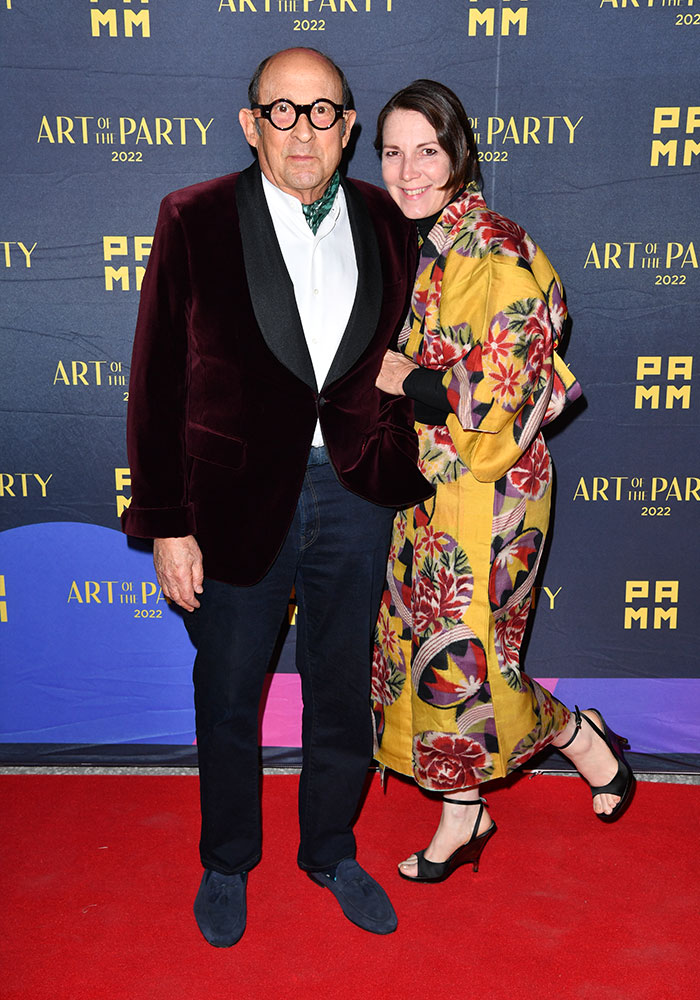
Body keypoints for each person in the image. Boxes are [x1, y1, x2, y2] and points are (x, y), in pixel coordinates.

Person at [122, 48, 433, 945]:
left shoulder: (383, 219)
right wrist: (169, 525)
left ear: (348, 127)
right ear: (251, 121)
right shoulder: (193, 217)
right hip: (227, 501)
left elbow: (394, 354)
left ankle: (331, 847)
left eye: (323, 111)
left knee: (340, 685)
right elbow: (157, 383)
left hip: (352, 490)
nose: (304, 129)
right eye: (283, 111)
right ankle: (227, 859)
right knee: (227, 690)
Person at [371, 80, 635, 883]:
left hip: (493, 491)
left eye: (427, 151)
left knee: (477, 659)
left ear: (458, 155)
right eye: (392, 152)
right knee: (435, 649)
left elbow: (512, 386)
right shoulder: (431, 246)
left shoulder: (493, 247)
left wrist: (406, 379)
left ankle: (581, 738)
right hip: (438, 485)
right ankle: (465, 812)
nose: (409, 170)